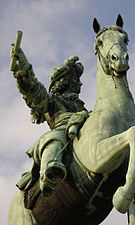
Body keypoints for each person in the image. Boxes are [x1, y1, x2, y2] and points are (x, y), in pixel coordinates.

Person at [10, 46, 89, 196]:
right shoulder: (51, 101)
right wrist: (23, 68)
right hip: (61, 130)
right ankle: (50, 173)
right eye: (73, 80)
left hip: (82, 129)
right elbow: (34, 90)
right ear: (62, 82)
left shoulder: (80, 106)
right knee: (55, 139)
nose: (78, 84)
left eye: (77, 80)